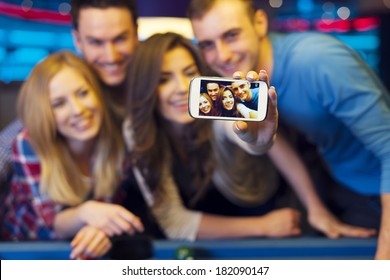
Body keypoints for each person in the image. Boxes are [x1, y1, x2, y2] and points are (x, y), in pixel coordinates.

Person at [188, 0, 390, 259]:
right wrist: (315, 207)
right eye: (207, 44)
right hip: (340, 183)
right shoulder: (241, 82)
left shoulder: (317, 61)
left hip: (377, 192)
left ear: (260, 23)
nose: (222, 55)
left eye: (231, 35)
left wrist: (383, 260)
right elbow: (269, 140)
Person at [123, 32, 368, 241]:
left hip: (275, 197)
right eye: (163, 80)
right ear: (146, 86)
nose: (181, 87)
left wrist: (315, 208)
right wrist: (262, 226)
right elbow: (175, 224)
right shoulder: (136, 130)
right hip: (234, 219)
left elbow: (261, 143)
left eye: (189, 73)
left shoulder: (217, 100)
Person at [2, 51, 143, 259]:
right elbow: (50, 223)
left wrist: (98, 227)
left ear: (96, 92)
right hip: (22, 251)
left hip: (83, 248)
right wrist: (86, 213)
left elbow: (107, 212)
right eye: (59, 103)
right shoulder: (30, 143)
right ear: (45, 112)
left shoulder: (117, 140)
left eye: (83, 93)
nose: (77, 110)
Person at [0, 0, 139, 187]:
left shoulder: (155, 81)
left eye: (120, 39)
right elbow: (19, 136)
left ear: (136, 33)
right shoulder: (71, 83)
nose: (111, 55)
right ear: (77, 41)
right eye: (95, 42)